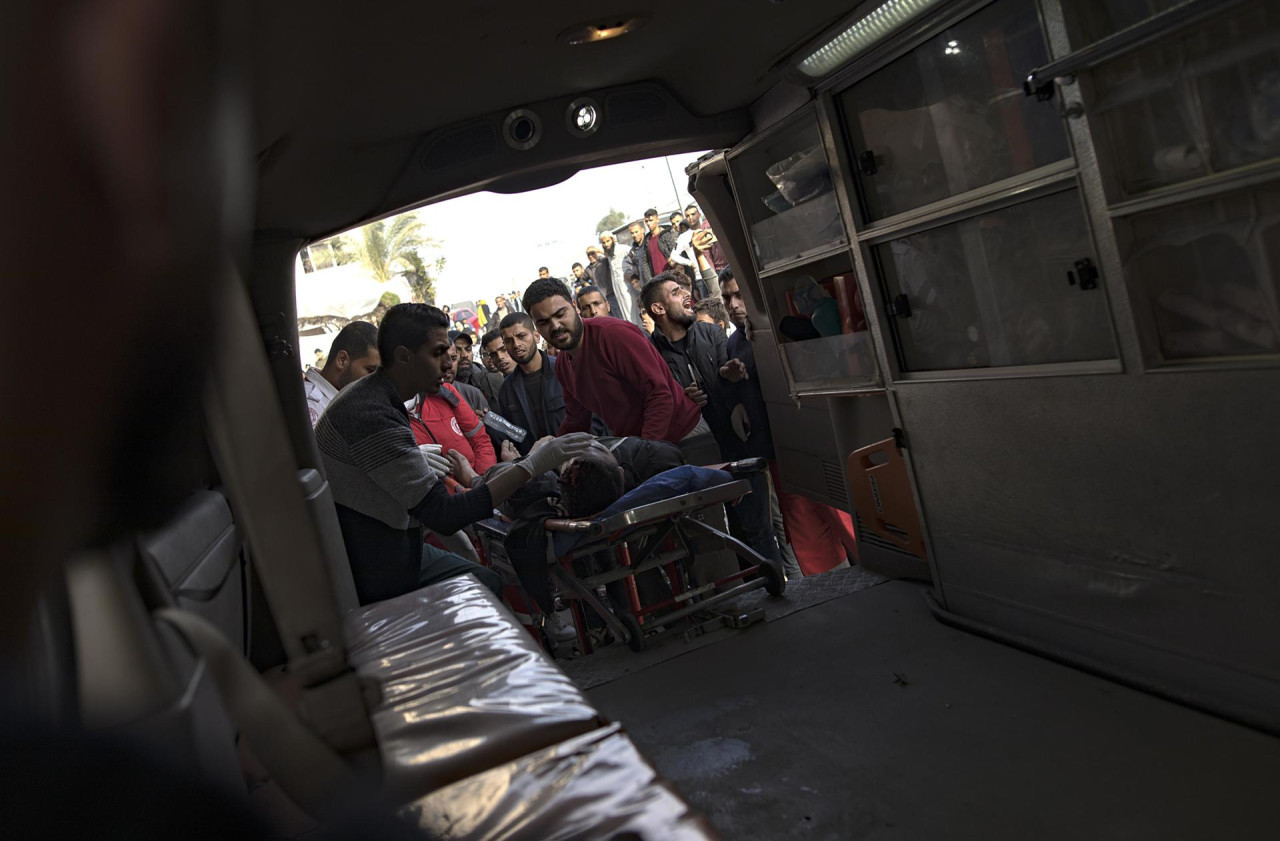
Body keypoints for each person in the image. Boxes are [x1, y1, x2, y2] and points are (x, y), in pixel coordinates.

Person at [315, 303, 594, 604]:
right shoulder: (370, 412)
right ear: (404, 356)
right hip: (375, 564)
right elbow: (444, 514)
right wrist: (532, 466)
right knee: (484, 590)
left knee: (486, 579)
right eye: (436, 354)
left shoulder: (379, 399)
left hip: (390, 543)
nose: (448, 364)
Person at [721, 269, 855, 576]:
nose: (733, 304)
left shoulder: (782, 327)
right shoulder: (733, 343)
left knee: (844, 519)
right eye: (727, 297)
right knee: (806, 533)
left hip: (813, 443)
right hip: (777, 451)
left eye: (739, 295)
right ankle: (834, 591)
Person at [642, 273, 781, 564]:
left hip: (739, 450)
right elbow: (653, 405)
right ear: (659, 309)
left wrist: (729, 375)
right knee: (715, 542)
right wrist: (683, 401)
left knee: (757, 530)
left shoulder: (712, 334)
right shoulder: (649, 355)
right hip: (695, 462)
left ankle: (777, 594)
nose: (686, 295)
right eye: (676, 292)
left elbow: (733, 380)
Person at [523, 278, 703, 448]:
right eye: (544, 322)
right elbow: (576, 420)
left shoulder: (613, 335)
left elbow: (659, 396)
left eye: (560, 314)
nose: (555, 326)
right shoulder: (563, 364)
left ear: (575, 307)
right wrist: (551, 451)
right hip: (641, 446)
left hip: (685, 434)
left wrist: (645, 454)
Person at [498, 311, 568, 454]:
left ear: (536, 336)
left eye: (521, 336)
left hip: (576, 457)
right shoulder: (506, 390)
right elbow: (512, 437)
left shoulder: (564, 370)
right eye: (509, 340)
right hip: (536, 469)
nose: (516, 344)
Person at [303, 321, 380, 426]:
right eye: (370, 370)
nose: (375, 381)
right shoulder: (308, 404)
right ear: (342, 360)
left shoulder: (346, 403)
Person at [597, 229, 640, 325]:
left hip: (630, 287)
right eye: (603, 243)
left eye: (608, 241)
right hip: (619, 290)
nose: (606, 244)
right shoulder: (609, 255)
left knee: (635, 312)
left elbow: (636, 260)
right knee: (626, 314)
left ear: (613, 240)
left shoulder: (624, 249)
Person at [452, 329, 503, 406]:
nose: (465, 355)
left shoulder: (492, 380)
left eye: (468, 349)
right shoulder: (440, 387)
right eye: (457, 350)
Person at [641, 208, 677, 278]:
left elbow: (675, 254)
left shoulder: (666, 234)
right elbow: (645, 262)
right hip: (657, 280)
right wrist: (649, 280)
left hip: (672, 277)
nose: (648, 223)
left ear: (657, 219)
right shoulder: (647, 240)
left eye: (651, 220)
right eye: (646, 221)